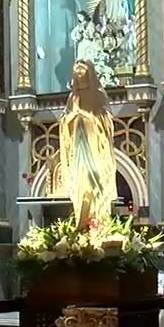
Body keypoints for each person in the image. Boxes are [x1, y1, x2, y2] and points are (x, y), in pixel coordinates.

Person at [59, 60, 117, 229]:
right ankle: (81, 222)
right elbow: (64, 120)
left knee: (95, 181)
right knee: (79, 182)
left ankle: (99, 222)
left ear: (89, 72)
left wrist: (84, 112)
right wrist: (72, 114)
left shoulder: (99, 94)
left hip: (95, 147)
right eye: (76, 71)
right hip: (78, 146)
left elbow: (106, 121)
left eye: (82, 70)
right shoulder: (73, 97)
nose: (79, 74)